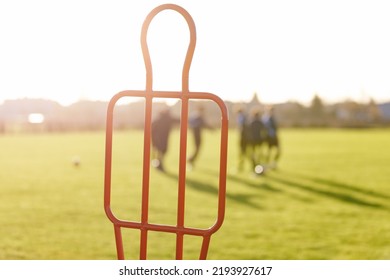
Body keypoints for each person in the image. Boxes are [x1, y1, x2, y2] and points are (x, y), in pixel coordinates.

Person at [248, 107, 266, 174]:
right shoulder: (260, 122)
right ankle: (258, 165)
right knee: (259, 153)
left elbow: (249, 131)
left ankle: (254, 165)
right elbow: (264, 131)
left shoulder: (251, 122)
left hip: (253, 140)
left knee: (253, 153)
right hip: (259, 139)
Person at [235, 106, 250, 171]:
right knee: (243, 153)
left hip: (244, 137)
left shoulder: (241, 117)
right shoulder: (244, 117)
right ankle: (240, 166)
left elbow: (242, 127)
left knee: (244, 152)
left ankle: (254, 165)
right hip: (244, 137)